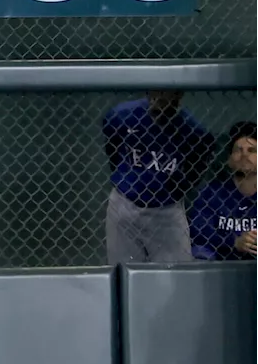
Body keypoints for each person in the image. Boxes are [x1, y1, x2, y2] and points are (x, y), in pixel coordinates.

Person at [101, 90, 215, 265]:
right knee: (122, 271)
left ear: (178, 96)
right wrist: (125, 177)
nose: (159, 101)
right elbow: (113, 148)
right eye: (155, 94)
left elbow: (197, 168)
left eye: (166, 95)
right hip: (124, 203)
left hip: (166, 209)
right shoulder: (122, 115)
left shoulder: (193, 131)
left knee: (177, 274)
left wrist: (177, 189)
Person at [189, 121, 258, 261]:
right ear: (229, 160)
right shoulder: (211, 193)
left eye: (251, 151)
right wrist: (234, 242)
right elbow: (199, 231)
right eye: (238, 150)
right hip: (221, 260)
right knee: (199, 252)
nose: (244, 155)